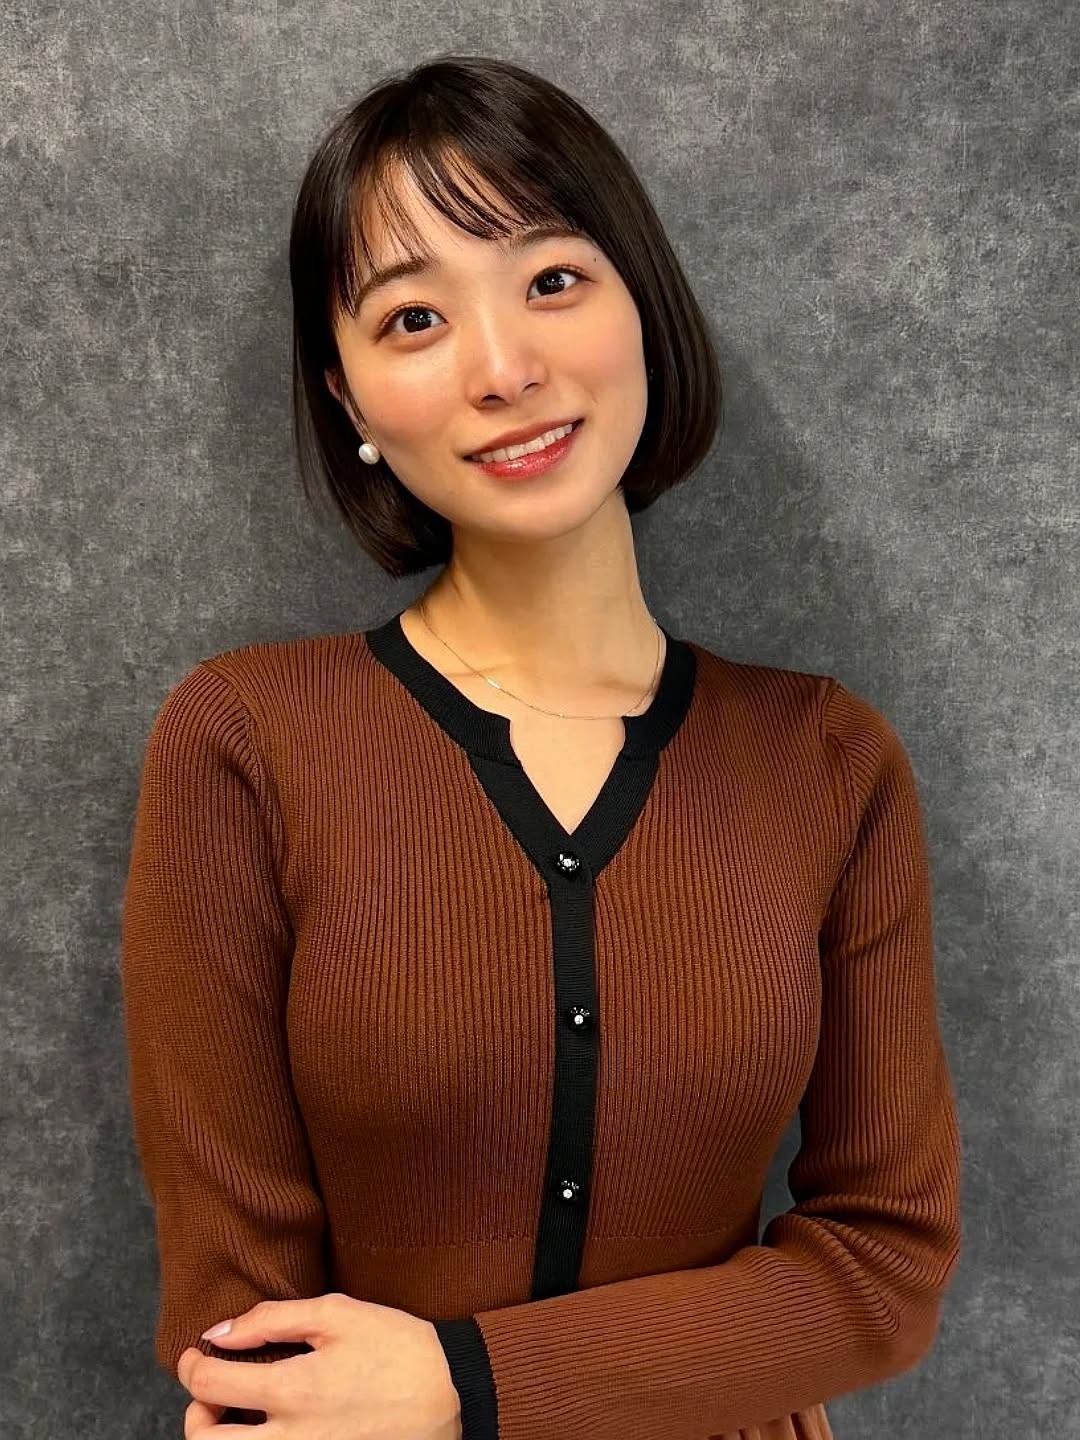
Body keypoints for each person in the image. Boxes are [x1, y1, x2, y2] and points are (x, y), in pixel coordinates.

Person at [120, 54, 961, 1440]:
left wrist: (469, 1387)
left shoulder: (827, 760)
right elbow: (245, 1349)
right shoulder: (247, 742)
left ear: (645, 304)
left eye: (552, 279)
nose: (504, 368)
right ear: (347, 400)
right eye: (412, 317)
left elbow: (885, 1268)